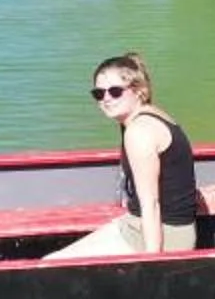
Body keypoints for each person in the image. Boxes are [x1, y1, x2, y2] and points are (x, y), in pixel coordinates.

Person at [47, 52, 205, 260]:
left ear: (139, 91)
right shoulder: (152, 115)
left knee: (52, 265)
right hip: (142, 224)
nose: (106, 99)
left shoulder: (139, 131)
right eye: (99, 93)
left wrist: (152, 262)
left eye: (115, 91)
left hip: (165, 235)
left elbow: (151, 203)